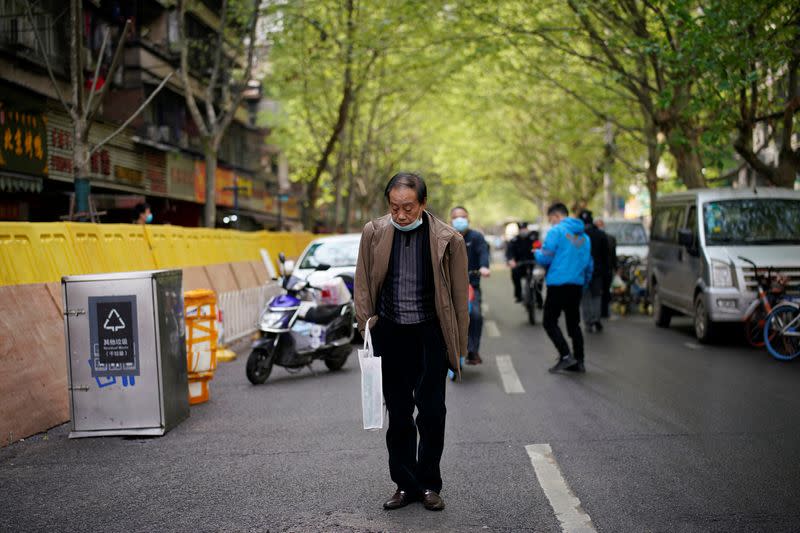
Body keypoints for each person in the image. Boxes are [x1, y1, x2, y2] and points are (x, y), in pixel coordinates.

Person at [354, 172, 469, 512]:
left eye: (408, 207)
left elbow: (460, 298)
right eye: (394, 207)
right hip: (391, 333)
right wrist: (367, 326)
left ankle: (430, 483)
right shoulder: (374, 233)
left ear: (423, 204)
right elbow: (362, 282)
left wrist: (457, 348)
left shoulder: (449, 239)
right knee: (400, 413)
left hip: (430, 334)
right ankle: (405, 485)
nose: (401, 215)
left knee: (432, 413)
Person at [534, 203, 593, 373]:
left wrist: (536, 253)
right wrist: (584, 282)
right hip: (577, 284)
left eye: (551, 219)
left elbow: (546, 258)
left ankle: (566, 356)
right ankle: (580, 361)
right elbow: (589, 263)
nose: (552, 222)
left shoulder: (556, 231)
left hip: (558, 284)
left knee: (549, 321)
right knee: (574, 323)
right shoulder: (585, 237)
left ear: (557, 216)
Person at [450, 206, 490, 365]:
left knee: (476, 315)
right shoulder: (446, 237)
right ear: (450, 220)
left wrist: (484, 267)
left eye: (463, 216)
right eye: (456, 217)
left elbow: (483, 253)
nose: (460, 219)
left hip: (471, 286)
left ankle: (472, 351)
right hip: (448, 287)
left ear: (468, 219)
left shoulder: (477, 237)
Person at [579, 210, 610, 333]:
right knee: (597, 296)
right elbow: (606, 255)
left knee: (585, 297)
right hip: (598, 271)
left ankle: (588, 322)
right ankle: (596, 318)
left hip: (583, 271)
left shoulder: (578, 236)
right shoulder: (600, 234)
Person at [506, 222, 537, 302]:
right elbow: (509, 252)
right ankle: (518, 295)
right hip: (519, 264)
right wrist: (511, 260)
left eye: (524, 229)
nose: (523, 231)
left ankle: (539, 299)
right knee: (514, 274)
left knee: (538, 279)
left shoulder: (533, 238)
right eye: (521, 229)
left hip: (533, 263)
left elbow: (539, 248)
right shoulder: (514, 240)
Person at [594, 219, 617, 318]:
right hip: (600, 269)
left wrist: (615, 267)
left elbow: (613, 255)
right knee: (599, 291)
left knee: (605, 291)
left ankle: (603, 312)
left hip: (605, 269)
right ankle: (600, 312)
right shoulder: (592, 238)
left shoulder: (610, 238)